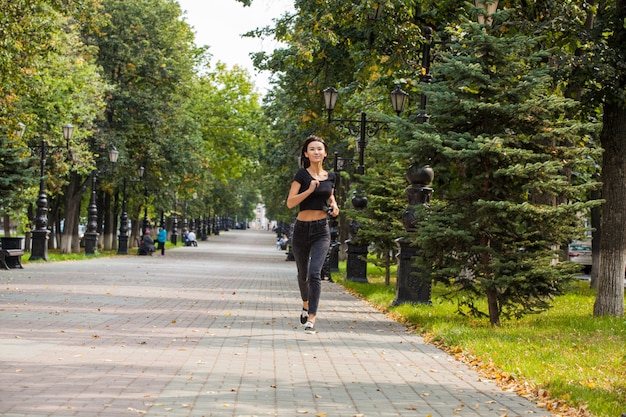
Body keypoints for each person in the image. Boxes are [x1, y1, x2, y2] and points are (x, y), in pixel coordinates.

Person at [286, 135, 339, 334]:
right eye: (312, 149)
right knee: (302, 273)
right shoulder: (302, 175)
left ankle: (311, 319)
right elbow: (291, 202)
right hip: (301, 229)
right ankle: (306, 304)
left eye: (319, 149)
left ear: (325, 153)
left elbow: (331, 197)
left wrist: (335, 207)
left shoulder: (330, 176)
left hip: (321, 230)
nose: (316, 152)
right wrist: (309, 190)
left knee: (314, 273)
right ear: (306, 154)